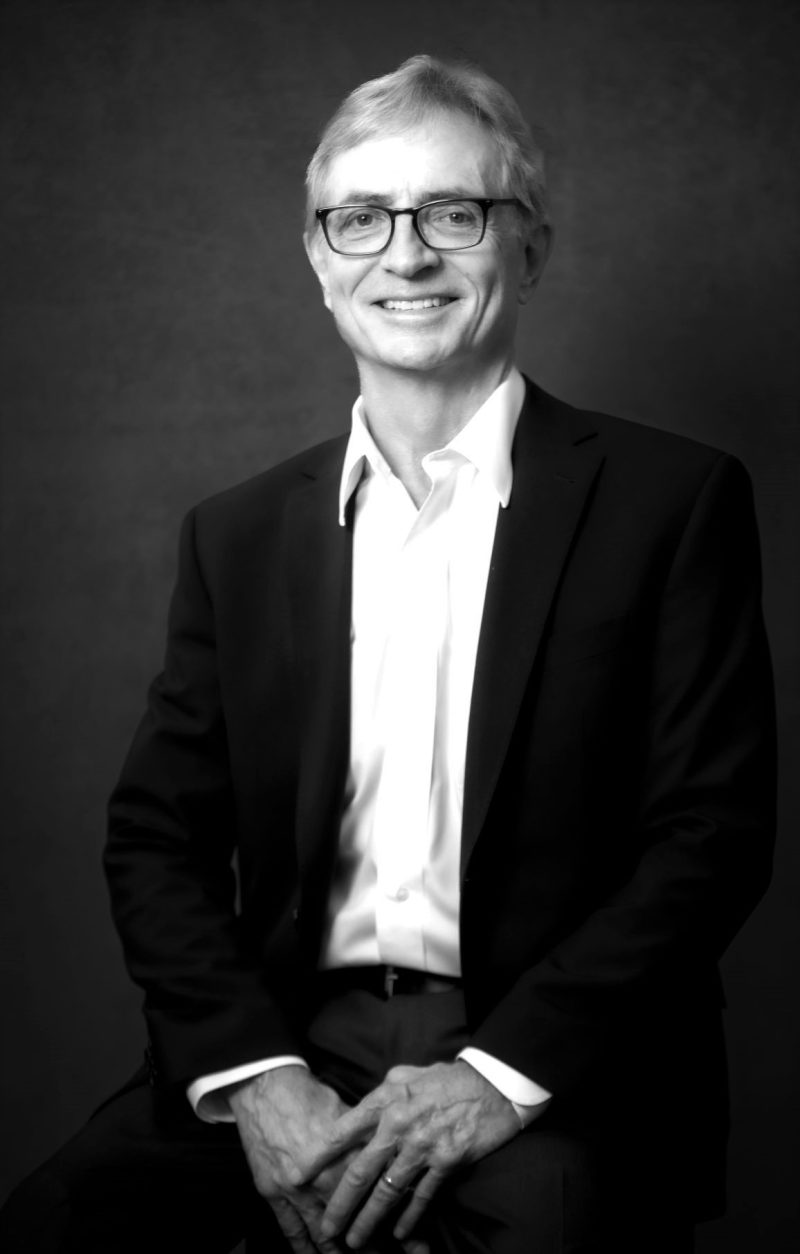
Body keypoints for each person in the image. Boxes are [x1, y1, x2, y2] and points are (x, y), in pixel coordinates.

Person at [0, 53, 776, 1254]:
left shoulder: (670, 502)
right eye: (359, 219)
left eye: (452, 214)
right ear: (319, 261)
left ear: (529, 249)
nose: (403, 256)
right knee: (53, 1228)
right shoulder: (236, 533)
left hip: (553, 1060)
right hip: (291, 1037)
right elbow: (156, 837)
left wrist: (496, 1076)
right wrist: (256, 1076)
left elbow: (709, 835)